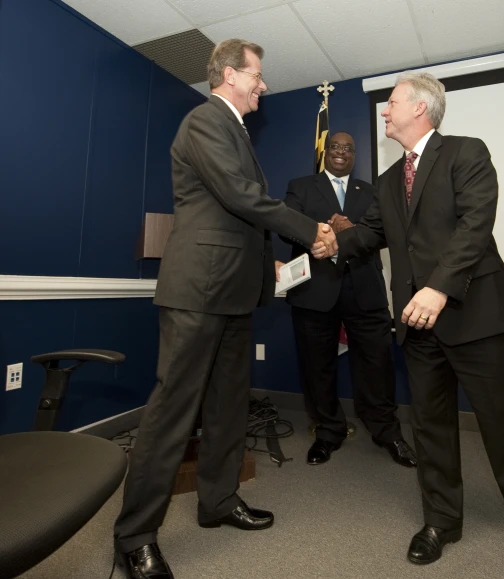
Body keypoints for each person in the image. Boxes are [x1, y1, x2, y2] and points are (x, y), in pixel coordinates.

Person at [113, 39, 336, 579]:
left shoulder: (235, 128)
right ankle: (135, 536)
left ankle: (217, 502)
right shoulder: (205, 120)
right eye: (257, 74)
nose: (263, 84)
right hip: (198, 291)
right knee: (172, 415)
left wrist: (272, 273)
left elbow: (241, 217)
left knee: (227, 409)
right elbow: (240, 196)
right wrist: (310, 231)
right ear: (230, 75)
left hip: (234, 295)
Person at [328, 71, 504, 570]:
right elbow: (367, 236)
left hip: (478, 316)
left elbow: (476, 226)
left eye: (391, 102)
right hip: (417, 325)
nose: (384, 110)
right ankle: (441, 521)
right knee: (429, 429)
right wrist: (323, 242)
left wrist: (437, 287)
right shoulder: (388, 182)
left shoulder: (467, 153)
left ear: (419, 109)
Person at [278, 132, 416, 468]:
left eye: (348, 148)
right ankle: (327, 431)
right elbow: (285, 226)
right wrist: (327, 229)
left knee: (377, 366)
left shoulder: (371, 191)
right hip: (315, 291)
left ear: (355, 155)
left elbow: (385, 232)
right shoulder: (301, 185)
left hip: (364, 290)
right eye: (336, 147)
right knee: (317, 367)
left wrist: (351, 229)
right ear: (325, 152)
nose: (341, 152)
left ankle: (387, 432)